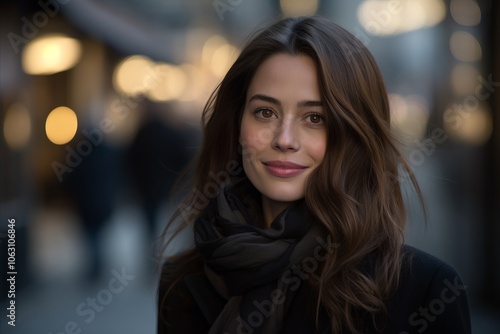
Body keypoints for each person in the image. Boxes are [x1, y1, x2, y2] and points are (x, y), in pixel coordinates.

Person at [156, 16, 471, 334]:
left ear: (354, 136)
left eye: (314, 117)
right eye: (265, 112)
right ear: (237, 124)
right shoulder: (179, 281)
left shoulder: (423, 291)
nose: (285, 139)